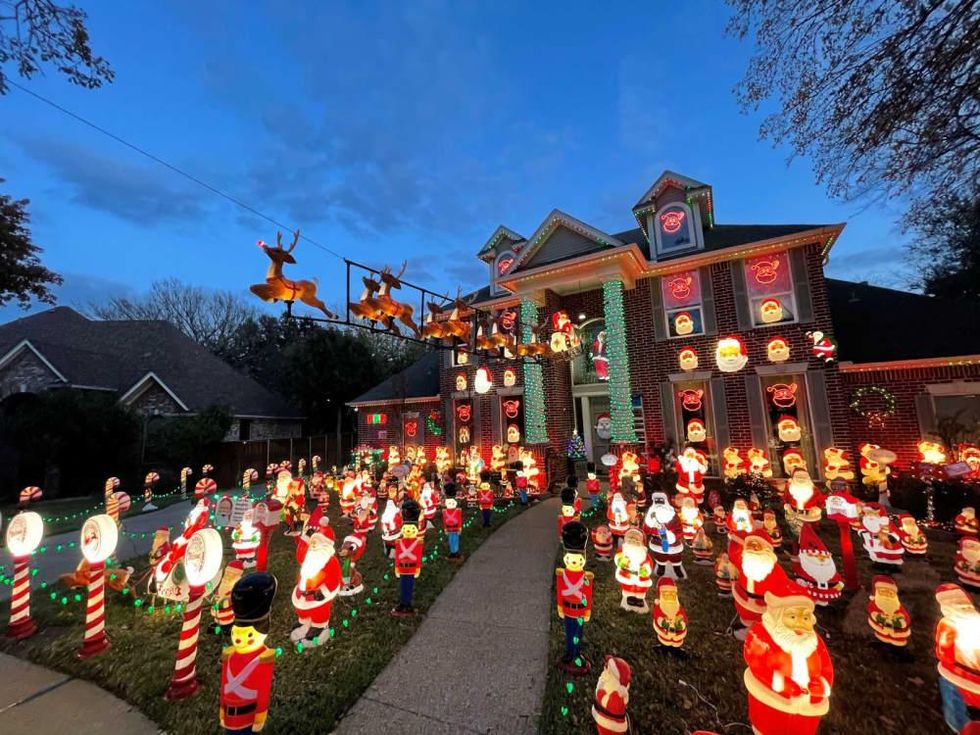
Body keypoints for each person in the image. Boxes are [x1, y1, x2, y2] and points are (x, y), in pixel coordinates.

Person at [743, 579, 833, 735]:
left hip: (807, 708)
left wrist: (823, 684)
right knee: (770, 728)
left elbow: (826, 666)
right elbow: (756, 662)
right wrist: (780, 683)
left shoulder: (814, 641)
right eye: (792, 617)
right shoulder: (762, 634)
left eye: (805, 618)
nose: (799, 623)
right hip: (773, 704)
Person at [220, 572, 278, 734]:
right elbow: (225, 684)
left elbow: (263, 689)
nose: (240, 639)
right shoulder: (230, 655)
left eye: (248, 635)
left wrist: (259, 715)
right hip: (231, 717)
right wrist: (222, 710)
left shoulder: (263, 659)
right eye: (237, 633)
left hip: (247, 715)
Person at [555, 521, 593, 674]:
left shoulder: (586, 577)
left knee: (578, 632)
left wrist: (587, 609)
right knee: (569, 631)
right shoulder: (561, 574)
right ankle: (569, 653)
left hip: (579, 610)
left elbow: (587, 593)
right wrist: (559, 606)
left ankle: (577, 654)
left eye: (577, 559)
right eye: (570, 559)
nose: (574, 562)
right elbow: (560, 591)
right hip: (567, 608)